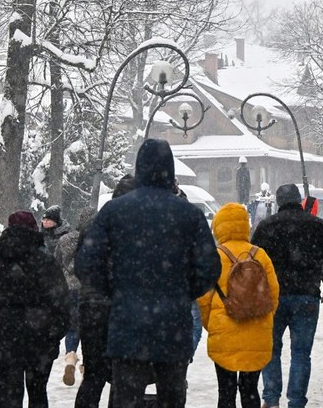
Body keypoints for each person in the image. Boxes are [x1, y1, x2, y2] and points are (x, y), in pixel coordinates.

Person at [75, 139, 221, 408]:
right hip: (173, 328)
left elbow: (86, 264)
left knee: (125, 398)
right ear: (171, 169)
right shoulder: (189, 215)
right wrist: (182, 290)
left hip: (127, 326)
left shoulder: (114, 211)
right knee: (171, 399)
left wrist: (116, 290)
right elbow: (210, 268)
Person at [251, 184, 323, 408]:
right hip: (307, 295)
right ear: (299, 200)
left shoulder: (266, 227)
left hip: (273, 297)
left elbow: (254, 262)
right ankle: (296, 401)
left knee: (272, 349)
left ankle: (271, 398)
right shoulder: (316, 226)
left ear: (278, 202)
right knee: (301, 353)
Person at [0, 211, 69, 408]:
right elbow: (61, 302)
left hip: (3, 339)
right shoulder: (46, 263)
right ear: (34, 230)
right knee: (38, 393)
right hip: (40, 339)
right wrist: (54, 334)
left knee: (9, 394)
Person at [197, 203, 278, 408]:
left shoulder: (214, 256)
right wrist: (262, 317)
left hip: (224, 334)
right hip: (257, 333)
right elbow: (274, 294)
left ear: (219, 226)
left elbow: (204, 298)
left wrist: (213, 324)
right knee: (250, 390)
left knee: (226, 391)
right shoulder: (260, 255)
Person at [74, 177, 133, 408]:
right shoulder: (136, 226)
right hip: (122, 309)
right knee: (122, 377)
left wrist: (95, 287)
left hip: (91, 308)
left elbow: (81, 266)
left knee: (93, 375)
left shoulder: (95, 223)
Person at [55, 206, 91, 387]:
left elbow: (58, 262)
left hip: (69, 288)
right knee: (89, 329)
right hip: (88, 290)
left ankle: (70, 357)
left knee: (72, 326)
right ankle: (87, 366)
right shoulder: (95, 240)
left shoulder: (65, 240)